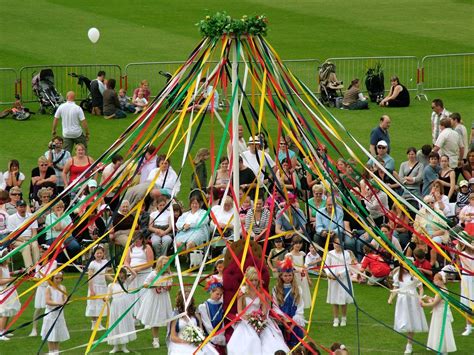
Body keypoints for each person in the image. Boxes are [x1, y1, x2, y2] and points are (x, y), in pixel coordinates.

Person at [227, 266, 289, 355]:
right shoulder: (242, 292)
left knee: (269, 338)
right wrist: (250, 319)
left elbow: (264, 309)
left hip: (260, 319)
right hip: (246, 319)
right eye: (252, 280)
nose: (254, 282)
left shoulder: (261, 292)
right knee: (252, 339)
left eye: (256, 280)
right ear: (247, 280)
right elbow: (240, 311)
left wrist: (260, 318)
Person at [389, 264, 428, 355]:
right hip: (402, 301)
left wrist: (420, 298)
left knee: (412, 321)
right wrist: (390, 298)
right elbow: (395, 289)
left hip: (413, 300)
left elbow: (420, 288)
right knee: (404, 321)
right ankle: (409, 343)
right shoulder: (397, 275)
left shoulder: (414, 276)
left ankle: (409, 345)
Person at [136, 256, 173, 349]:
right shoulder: (154, 273)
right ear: (160, 264)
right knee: (155, 319)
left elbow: (169, 287)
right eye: (164, 264)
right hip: (154, 298)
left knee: (167, 319)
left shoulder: (169, 274)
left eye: (167, 264)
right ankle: (155, 339)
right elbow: (145, 284)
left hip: (164, 298)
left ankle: (169, 338)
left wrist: (167, 287)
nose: (166, 266)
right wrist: (155, 285)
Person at [168, 290, 217, 355]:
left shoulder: (196, 314)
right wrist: (185, 341)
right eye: (185, 299)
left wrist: (196, 339)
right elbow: (173, 337)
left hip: (195, 343)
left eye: (189, 299)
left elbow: (201, 331)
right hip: (180, 343)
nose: (188, 301)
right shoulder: (176, 315)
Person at [272, 257, 306, 349]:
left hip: (294, 321)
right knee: (283, 345)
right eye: (285, 276)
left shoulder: (298, 289)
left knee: (296, 346)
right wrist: (283, 319)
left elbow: (300, 306)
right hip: (281, 321)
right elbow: (275, 306)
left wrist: (293, 322)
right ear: (281, 276)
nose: (288, 278)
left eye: (290, 275)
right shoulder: (276, 289)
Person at [421, 273, 456, 354]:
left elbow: (435, 303)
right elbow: (438, 301)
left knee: (440, 330)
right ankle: (441, 349)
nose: (434, 281)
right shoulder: (442, 290)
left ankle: (442, 349)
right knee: (439, 330)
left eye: (436, 280)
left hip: (441, 314)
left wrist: (424, 304)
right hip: (439, 312)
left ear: (441, 281)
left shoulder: (442, 291)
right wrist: (428, 298)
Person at [106, 267, 137, 353]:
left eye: (122, 274)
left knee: (124, 323)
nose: (121, 276)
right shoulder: (111, 285)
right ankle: (115, 346)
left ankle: (124, 346)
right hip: (115, 306)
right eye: (119, 274)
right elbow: (108, 295)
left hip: (124, 306)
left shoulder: (127, 282)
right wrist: (106, 299)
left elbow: (134, 274)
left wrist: (128, 268)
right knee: (115, 324)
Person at [325, 237, 354, 327]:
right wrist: (329, 274)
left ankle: (344, 318)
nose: (337, 245)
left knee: (343, 299)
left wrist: (339, 274)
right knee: (334, 299)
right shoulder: (330, 253)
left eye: (339, 243)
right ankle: (336, 319)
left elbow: (348, 267)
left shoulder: (346, 254)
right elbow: (326, 266)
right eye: (335, 243)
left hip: (343, 279)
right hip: (332, 280)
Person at [124, 232, 154, 318]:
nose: (136, 242)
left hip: (144, 275)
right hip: (133, 275)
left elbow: (150, 263)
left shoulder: (147, 248)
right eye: (135, 240)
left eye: (138, 240)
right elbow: (126, 261)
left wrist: (139, 269)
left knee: (143, 295)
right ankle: (134, 316)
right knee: (132, 296)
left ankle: (146, 316)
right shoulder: (130, 248)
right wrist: (130, 269)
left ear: (142, 240)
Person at [29, 250, 57, 337]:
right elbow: (37, 277)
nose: (42, 254)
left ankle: (49, 329)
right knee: (38, 309)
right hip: (40, 288)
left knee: (49, 309)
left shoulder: (54, 263)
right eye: (41, 253)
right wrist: (33, 279)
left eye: (44, 252)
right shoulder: (38, 264)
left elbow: (52, 276)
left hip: (49, 288)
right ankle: (34, 329)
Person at [40, 272, 70, 353]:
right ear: (52, 278)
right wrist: (59, 303)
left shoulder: (63, 288)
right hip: (50, 313)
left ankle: (56, 350)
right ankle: (51, 351)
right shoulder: (48, 288)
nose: (58, 280)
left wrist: (66, 301)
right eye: (56, 278)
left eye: (60, 278)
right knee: (50, 332)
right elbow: (48, 301)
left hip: (59, 313)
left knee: (57, 331)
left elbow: (65, 297)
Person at [7, 199, 39, 268]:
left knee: (35, 245)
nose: (23, 209)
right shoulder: (11, 218)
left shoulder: (31, 216)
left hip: (30, 238)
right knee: (25, 246)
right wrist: (24, 241)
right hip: (17, 240)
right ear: (17, 207)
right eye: (21, 207)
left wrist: (32, 240)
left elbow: (34, 231)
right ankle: (29, 270)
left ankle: (37, 268)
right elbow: (12, 235)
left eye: (24, 206)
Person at [198, 277, 226, 352]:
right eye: (217, 294)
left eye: (221, 294)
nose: (219, 296)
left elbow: (223, 322)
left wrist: (221, 335)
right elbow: (207, 323)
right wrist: (213, 337)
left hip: (221, 336)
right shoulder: (204, 306)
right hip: (210, 337)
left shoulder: (222, 305)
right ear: (211, 292)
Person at [85, 245, 109, 331]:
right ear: (94, 254)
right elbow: (90, 277)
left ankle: (99, 323)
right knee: (93, 305)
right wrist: (91, 290)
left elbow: (106, 275)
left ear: (103, 253)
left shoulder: (105, 262)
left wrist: (115, 280)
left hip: (103, 287)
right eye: (97, 253)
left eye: (100, 253)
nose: (99, 255)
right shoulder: (92, 264)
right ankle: (93, 324)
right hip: (94, 287)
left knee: (100, 305)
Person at [0, 250, 21, 341]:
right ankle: (0, 333)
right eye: (8, 256)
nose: (10, 258)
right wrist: (11, 279)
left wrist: (16, 275)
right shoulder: (0, 268)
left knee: (8, 312)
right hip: (4, 291)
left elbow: (7, 276)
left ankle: (4, 330)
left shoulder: (6, 266)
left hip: (9, 290)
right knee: (5, 312)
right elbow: (0, 281)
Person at [286, 235, 311, 308]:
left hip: (302, 278)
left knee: (302, 295)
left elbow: (303, 267)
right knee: (295, 295)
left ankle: (300, 315)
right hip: (294, 277)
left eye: (300, 243)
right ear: (292, 243)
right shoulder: (289, 255)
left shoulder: (301, 254)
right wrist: (298, 270)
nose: (298, 245)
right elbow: (290, 267)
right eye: (296, 243)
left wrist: (308, 279)